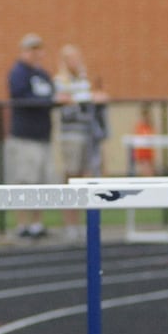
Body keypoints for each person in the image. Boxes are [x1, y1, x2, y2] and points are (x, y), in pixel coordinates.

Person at [5, 33, 61, 239]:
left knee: (40, 182)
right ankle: (22, 224)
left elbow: (52, 95)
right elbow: (21, 97)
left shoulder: (43, 75)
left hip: (43, 135)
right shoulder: (18, 73)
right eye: (31, 50)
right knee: (24, 181)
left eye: (38, 50)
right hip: (25, 137)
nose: (35, 54)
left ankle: (37, 224)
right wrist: (46, 100)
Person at [53, 45, 108, 240]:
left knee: (87, 178)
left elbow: (86, 104)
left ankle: (87, 223)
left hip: (87, 134)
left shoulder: (84, 80)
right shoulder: (60, 81)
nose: (76, 62)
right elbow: (66, 107)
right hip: (71, 136)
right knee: (71, 177)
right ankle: (70, 224)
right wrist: (85, 100)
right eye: (72, 59)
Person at [130, 103, 157, 176]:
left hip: (148, 153)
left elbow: (152, 138)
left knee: (150, 171)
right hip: (142, 154)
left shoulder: (150, 126)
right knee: (145, 170)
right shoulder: (139, 126)